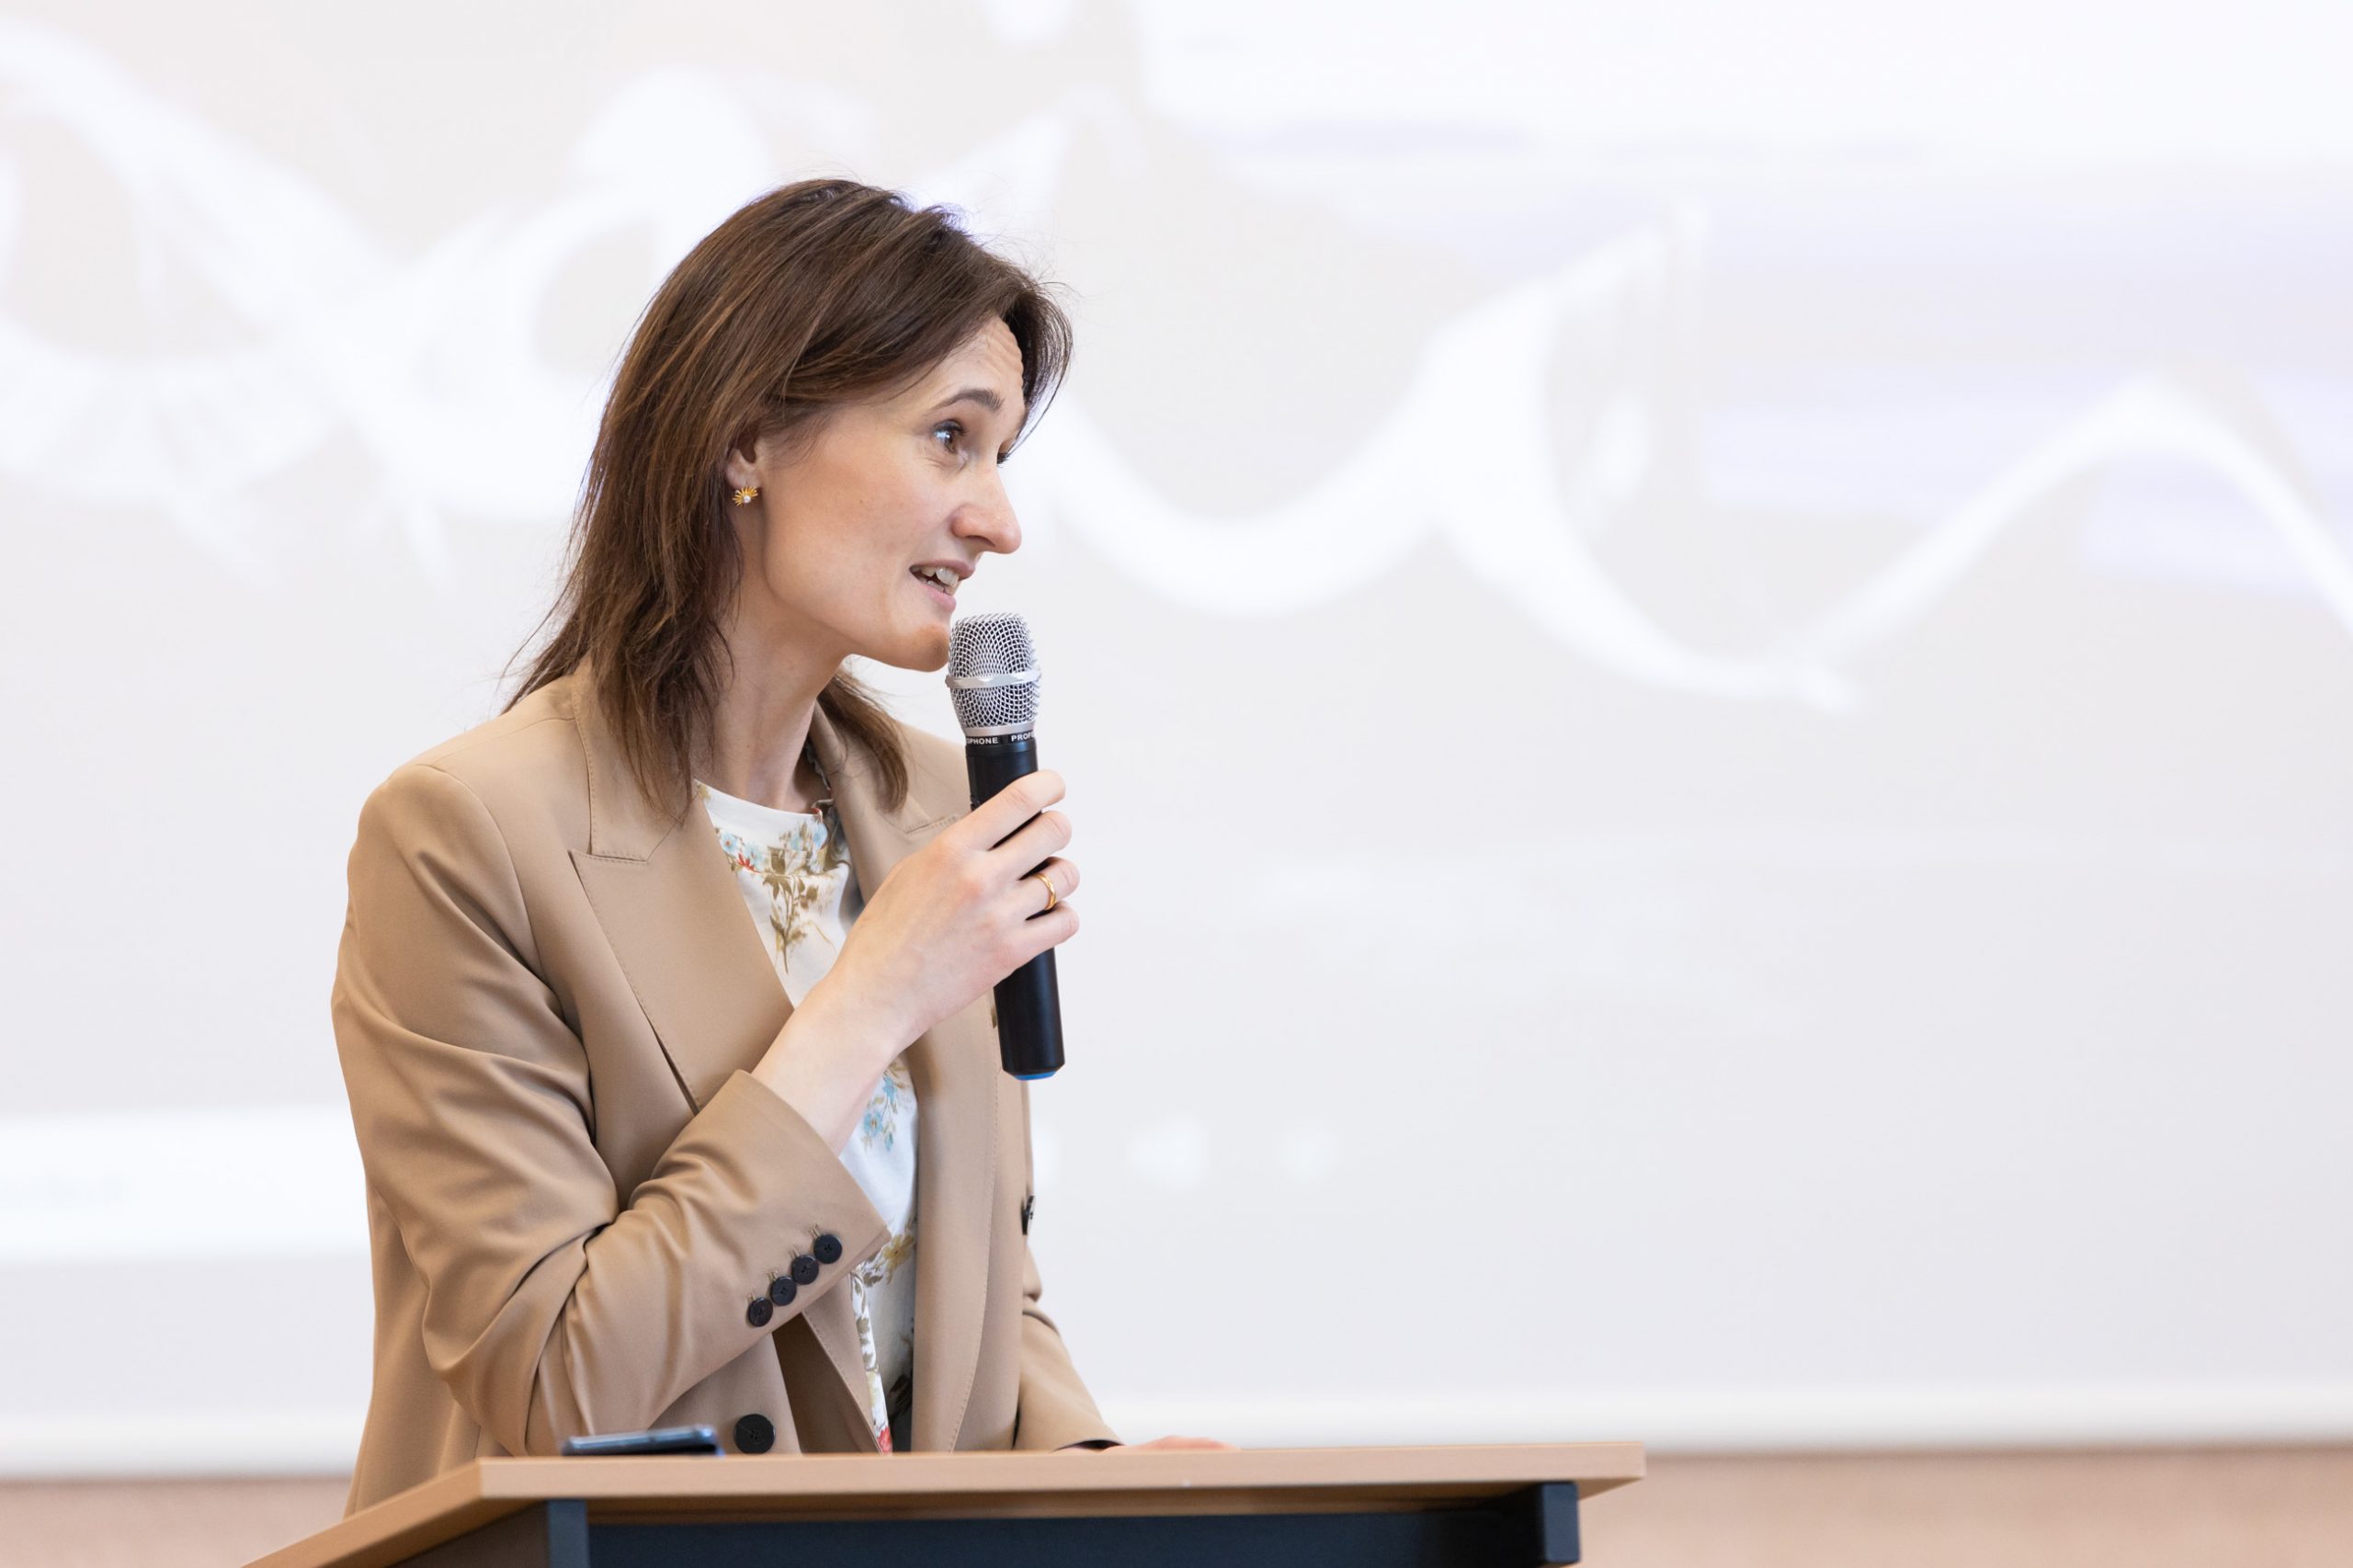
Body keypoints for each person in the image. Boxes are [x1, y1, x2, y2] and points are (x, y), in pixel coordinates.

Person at [330, 177, 1227, 1515]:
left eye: (1000, 456)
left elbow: (978, 1293)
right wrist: (869, 999)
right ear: (747, 438)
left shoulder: (940, 808)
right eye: (950, 438)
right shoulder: (469, 835)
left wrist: (1091, 1480)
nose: (999, 520)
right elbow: (559, 1385)